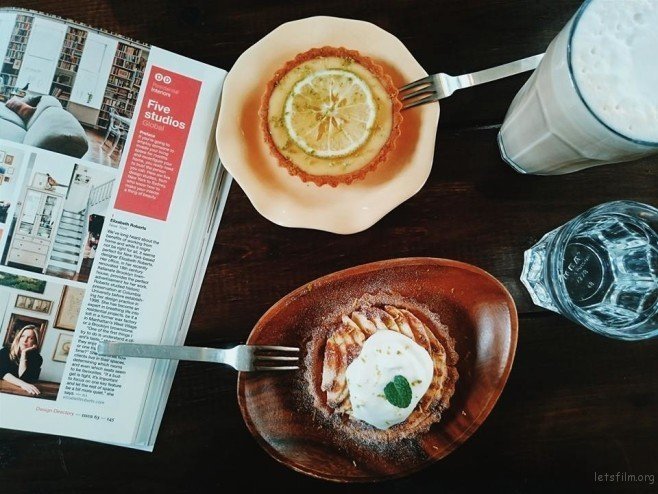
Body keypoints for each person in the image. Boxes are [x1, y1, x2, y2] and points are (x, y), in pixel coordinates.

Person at [0, 325, 43, 396]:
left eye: (30, 338)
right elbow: (2, 373)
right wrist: (22, 384)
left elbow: (24, 378)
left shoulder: (37, 358)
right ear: (19, 338)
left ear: (35, 342)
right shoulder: (5, 351)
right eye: (23, 336)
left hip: (21, 392)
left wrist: (23, 354)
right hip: (3, 389)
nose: (25, 340)